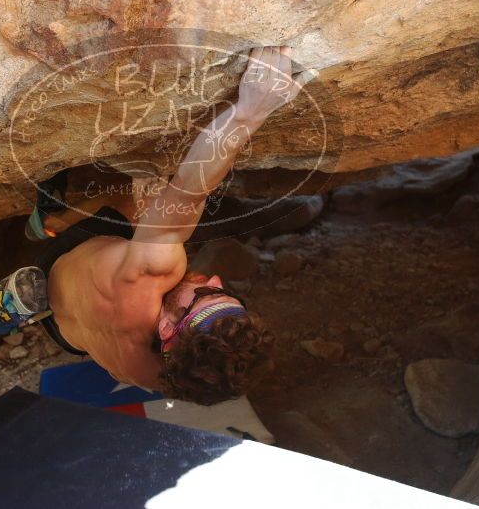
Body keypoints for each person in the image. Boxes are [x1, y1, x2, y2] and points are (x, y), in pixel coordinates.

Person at [24, 47, 302, 405]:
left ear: (169, 328)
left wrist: (251, 110)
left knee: (152, 193)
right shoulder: (157, 373)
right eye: (231, 295)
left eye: (207, 295)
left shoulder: (150, 272)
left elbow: (189, 188)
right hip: (59, 325)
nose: (214, 280)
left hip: (68, 256)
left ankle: (53, 215)